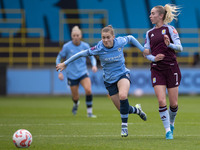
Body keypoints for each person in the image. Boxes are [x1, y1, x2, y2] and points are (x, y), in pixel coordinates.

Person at [56, 25, 149, 137]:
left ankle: (124, 127)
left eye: (107, 37)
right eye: (103, 37)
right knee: (123, 109)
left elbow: (131, 38)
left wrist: (143, 49)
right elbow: (81, 54)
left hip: (122, 74)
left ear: (113, 37)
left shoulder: (119, 42)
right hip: (109, 80)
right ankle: (137, 110)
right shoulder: (99, 48)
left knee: (123, 95)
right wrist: (64, 63)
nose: (105, 40)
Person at [143, 4, 183, 140]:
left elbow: (180, 48)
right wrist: (153, 58)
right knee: (161, 100)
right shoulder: (149, 33)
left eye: (153, 13)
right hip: (157, 69)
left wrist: (169, 45)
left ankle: (171, 123)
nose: (150, 16)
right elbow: (145, 53)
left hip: (171, 68)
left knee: (174, 104)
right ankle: (167, 131)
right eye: (150, 13)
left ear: (160, 15)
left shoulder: (170, 29)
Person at [56, 26, 98, 118]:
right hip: (71, 74)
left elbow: (92, 57)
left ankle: (89, 113)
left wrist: (94, 65)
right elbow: (59, 57)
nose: (76, 37)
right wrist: (59, 71)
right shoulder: (66, 47)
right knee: (75, 97)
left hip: (83, 72)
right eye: (74, 35)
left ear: (80, 36)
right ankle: (76, 104)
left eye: (77, 35)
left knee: (88, 90)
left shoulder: (85, 46)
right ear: (71, 36)